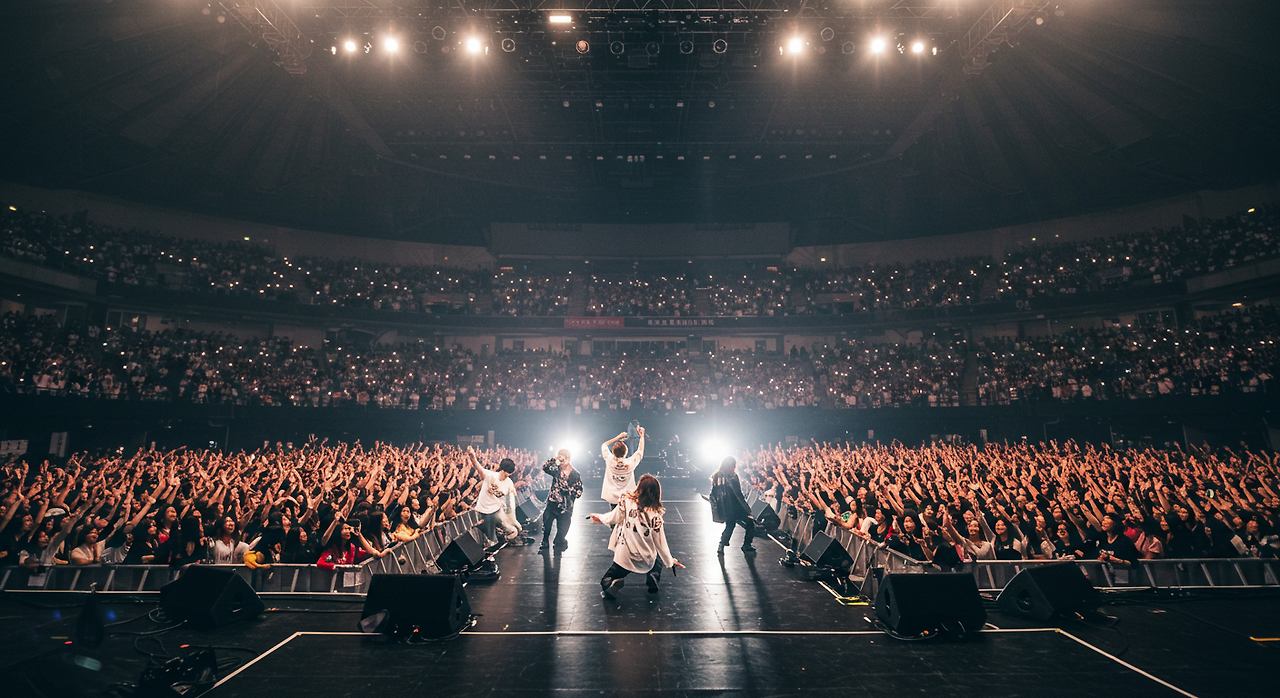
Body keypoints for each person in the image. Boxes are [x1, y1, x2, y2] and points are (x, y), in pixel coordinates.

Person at [589, 474, 682, 599]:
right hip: (645, 556)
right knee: (656, 559)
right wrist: (670, 561)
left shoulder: (626, 501)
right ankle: (653, 576)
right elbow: (661, 542)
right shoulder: (655, 515)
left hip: (625, 555)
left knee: (606, 579)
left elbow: (614, 517)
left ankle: (611, 584)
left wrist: (600, 518)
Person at [467, 449, 518, 547]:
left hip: (496, 512)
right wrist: (473, 457)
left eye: (509, 475)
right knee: (491, 538)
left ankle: (499, 537)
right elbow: (479, 469)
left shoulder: (509, 482)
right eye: (506, 474)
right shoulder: (491, 476)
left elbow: (511, 497)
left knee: (513, 531)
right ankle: (489, 547)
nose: (506, 477)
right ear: (502, 470)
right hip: (483, 512)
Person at [709, 457, 755, 554]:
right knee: (732, 525)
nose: (734, 467)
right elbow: (718, 493)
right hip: (731, 507)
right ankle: (742, 545)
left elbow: (737, 493)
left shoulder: (728, 476)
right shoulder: (723, 477)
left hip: (733, 507)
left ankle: (726, 545)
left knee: (739, 524)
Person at [540, 448, 583, 552]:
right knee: (547, 524)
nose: (561, 460)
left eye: (563, 457)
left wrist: (569, 491)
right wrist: (553, 460)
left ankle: (559, 541)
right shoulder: (556, 470)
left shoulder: (575, 474)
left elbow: (579, 490)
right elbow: (545, 467)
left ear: (568, 458)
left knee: (562, 531)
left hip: (566, 507)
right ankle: (545, 541)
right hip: (552, 504)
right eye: (560, 456)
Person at [601, 427, 645, 506]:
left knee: (614, 517)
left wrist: (618, 437)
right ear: (626, 452)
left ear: (613, 452)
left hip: (613, 497)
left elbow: (604, 445)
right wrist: (642, 436)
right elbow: (640, 451)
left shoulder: (609, 460)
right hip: (627, 497)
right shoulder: (631, 463)